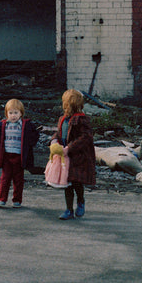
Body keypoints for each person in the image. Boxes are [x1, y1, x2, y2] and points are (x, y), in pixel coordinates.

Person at [53, 88, 96, 220]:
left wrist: (70, 148)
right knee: (67, 183)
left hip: (78, 157)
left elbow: (85, 137)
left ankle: (81, 201)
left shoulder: (82, 120)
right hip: (65, 156)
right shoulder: (62, 119)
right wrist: (54, 140)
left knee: (76, 182)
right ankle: (69, 210)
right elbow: (59, 133)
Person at [0, 98, 39, 208]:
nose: (13, 116)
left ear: (21, 113)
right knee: (5, 179)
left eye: (16, 113)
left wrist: (31, 143)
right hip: (7, 156)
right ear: (6, 113)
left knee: (18, 180)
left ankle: (17, 200)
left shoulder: (24, 125)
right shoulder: (3, 125)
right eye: (10, 113)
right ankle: (2, 199)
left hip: (19, 156)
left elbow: (35, 135)